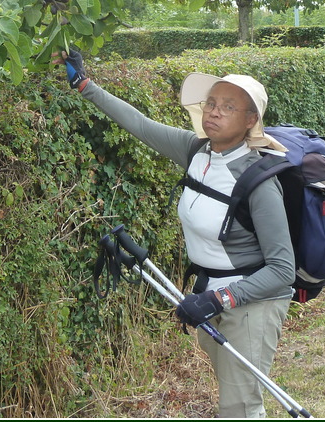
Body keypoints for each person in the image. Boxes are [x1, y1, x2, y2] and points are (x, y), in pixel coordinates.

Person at [53, 48, 295, 418]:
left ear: (251, 120)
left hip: (252, 305)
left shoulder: (258, 182)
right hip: (208, 295)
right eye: (211, 102)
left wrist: (220, 300)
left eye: (228, 107)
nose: (213, 111)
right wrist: (84, 84)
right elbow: (138, 123)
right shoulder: (196, 150)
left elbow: (282, 270)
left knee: (241, 407)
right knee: (233, 399)